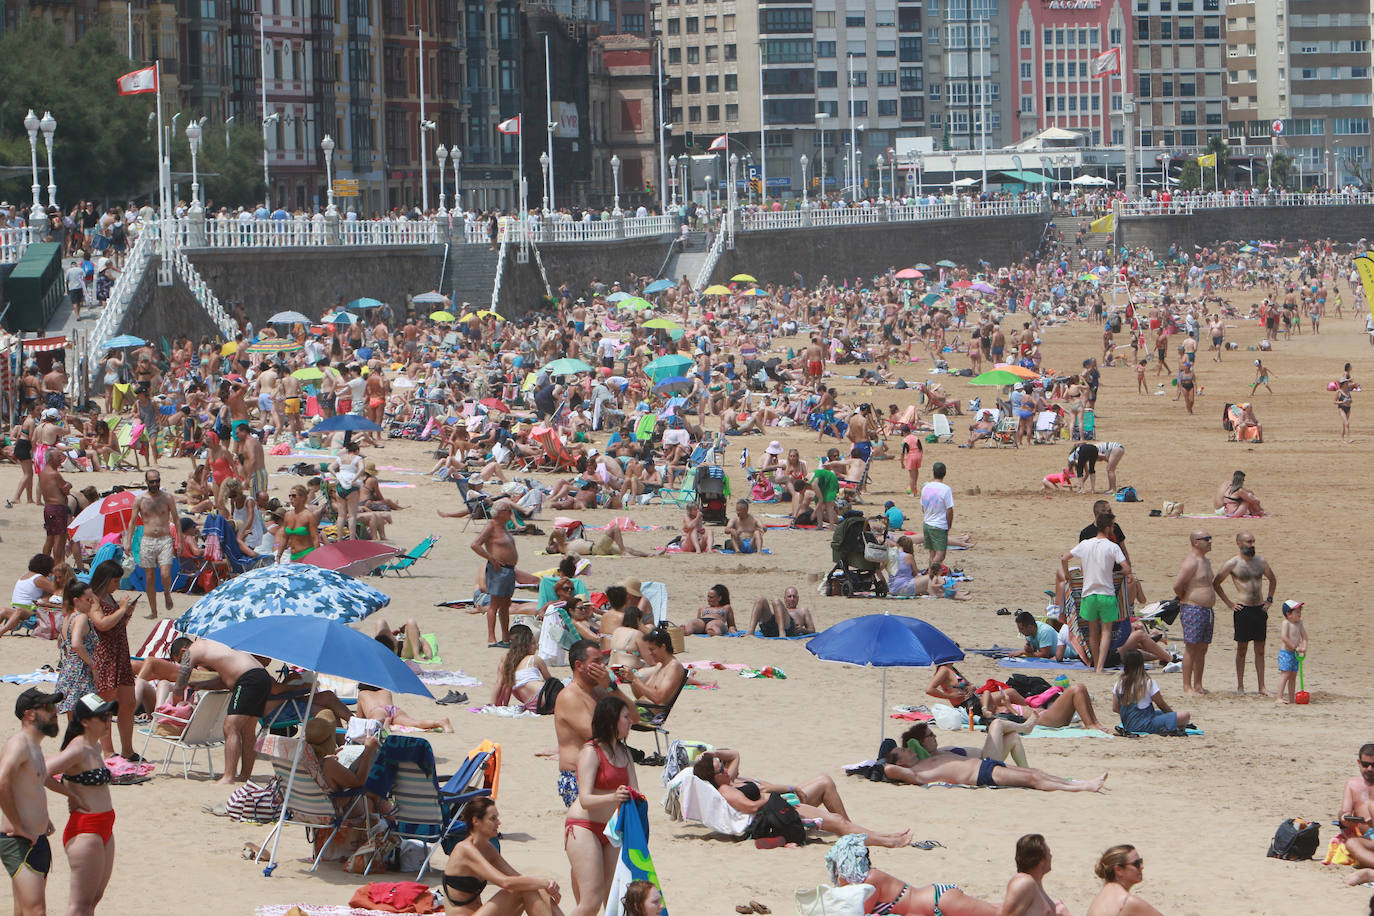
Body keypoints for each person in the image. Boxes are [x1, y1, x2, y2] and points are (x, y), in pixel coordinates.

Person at [696, 751, 913, 847]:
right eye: (720, 768)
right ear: (714, 777)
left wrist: (709, 754)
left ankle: (854, 833)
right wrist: (773, 796)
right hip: (776, 813)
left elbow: (734, 754)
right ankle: (887, 841)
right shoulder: (726, 790)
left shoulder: (731, 779)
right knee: (837, 822)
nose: (725, 767)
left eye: (722, 764)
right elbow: (751, 806)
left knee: (824, 781)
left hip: (782, 801)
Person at [44, 694, 119, 916]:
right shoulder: (77, 749)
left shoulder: (93, 747)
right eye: (102, 717)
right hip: (85, 829)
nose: (108, 722)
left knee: (94, 898)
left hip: (104, 826)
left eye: (109, 716)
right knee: (80, 904)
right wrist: (69, 794)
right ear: (85, 721)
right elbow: (42, 772)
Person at [565, 696, 637, 916]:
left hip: (613, 831)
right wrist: (613, 797)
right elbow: (585, 799)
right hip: (584, 827)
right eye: (626, 717)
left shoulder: (625, 753)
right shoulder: (590, 751)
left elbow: (634, 792)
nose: (631, 721)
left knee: (615, 898)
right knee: (591, 901)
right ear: (612, 720)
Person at [169, 635, 270, 784]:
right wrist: (202, 685)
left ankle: (228, 777)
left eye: (180, 660)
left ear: (183, 651)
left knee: (230, 727)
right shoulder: (213, 646)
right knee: (248, 731)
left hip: (248, 679)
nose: (189, 666)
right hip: (261, 677)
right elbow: (226, 679)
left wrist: (174, 708)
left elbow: (179, 686)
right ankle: (244, 776)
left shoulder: (192, 651)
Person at [442, 796, 564, 916]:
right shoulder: (465, 850)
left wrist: (546, 889)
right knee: (527, 887)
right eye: (493, 819)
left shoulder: (488, 848)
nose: (498, 823)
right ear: (476, 821)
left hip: (479, 912)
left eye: (497, 818)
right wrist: (544, 882)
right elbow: (505, 882)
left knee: (533, 887)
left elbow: (518, 877)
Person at [825, 833, 998, 916]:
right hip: (934, 904)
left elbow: (860, 913)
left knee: (1001, 913)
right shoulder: (862, 884)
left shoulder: (870, 880)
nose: (836, 873)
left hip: (938, 901)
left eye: (839, 867)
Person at [0, 687, 62, 916]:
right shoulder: (20, 744)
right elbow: (1, 782)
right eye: (48, 708)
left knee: (23, 911)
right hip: (19, 842)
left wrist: (43, 819)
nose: (55, 712)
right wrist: (18, 826)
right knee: (36, 911)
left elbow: (28, 788)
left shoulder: (34, 747)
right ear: (29, 714)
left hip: (36, 839)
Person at [553, 641, 624, 808]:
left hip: (602, 771)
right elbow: (595, 735)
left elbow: (631, 715)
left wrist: (612, 686)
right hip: (578, 775)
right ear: (579, 665)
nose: (603, 666)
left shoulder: (599, 691)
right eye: (597, 662)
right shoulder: (569, 696)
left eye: (602, 661)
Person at [1062, 514, 1133, 674]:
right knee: (1106, 631)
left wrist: (1067, 575)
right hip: (1106, 593)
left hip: (1088, 593)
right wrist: (1121, 573)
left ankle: (1094, 665)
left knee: (1093, 632)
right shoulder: (1112, 547)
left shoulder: (1085, 544)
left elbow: (1064, 557)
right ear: (1108, 528)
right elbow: (1126, 567)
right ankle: (1100, 666)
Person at [1211, 530, 1277, 695]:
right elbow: (1216, 582)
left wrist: (1269, 599)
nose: (1252, 545)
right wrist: (1229, 603)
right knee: (1242, 648)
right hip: (1243, 609)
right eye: (1248, 542)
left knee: (1260, 649)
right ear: (1239, 543)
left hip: (1259, 608)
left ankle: (1262, 686)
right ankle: (1240, 686)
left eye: (1253, 541)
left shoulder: (1261, 561)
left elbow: (1272, 579)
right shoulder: (1233, 563)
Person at [884, 744, 1106, 793]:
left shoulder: (927, 758)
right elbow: (889, 770)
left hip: (986, 765)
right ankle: (1084, 787)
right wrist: (882, 761)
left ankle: (1077, 782)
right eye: (902, 750)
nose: (908, 749)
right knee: (1032, 779)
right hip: (981, 775)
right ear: (899, 761)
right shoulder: (914, 773)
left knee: (1035, 772)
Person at [86, 561, 139, 761]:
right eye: (115, 580)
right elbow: (101, 624)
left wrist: (126, 614)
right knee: (105, 704)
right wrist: (122, 609)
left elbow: (116, 624)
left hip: (120, 653)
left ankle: (127, 749)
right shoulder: (92, 598)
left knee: (129, 702)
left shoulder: (108, 596)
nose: (117, 585)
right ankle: (108, 751)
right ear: (106, 579)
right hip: (105, 654)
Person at [129, 468, 180, 617]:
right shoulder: (140, 500)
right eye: (152, 481)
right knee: (149, 576)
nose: (155, 484)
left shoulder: (167, 498)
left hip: (165, 539)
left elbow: (176, 520)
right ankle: (154, 610)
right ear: (146, 482)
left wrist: (180, 541)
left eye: (157, 481)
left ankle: (166, 592)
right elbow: (132, 522)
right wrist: (128, 541)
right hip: (148, 540)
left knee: (165, 574)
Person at [473, 500, 520, 647]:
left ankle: (505, 637)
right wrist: (491, 558)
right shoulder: (491, 526)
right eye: (508, 510)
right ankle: (491, 637)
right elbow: (475, 544)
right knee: (494, 604)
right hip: (498, 570)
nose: (510, 513)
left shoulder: (504, 527)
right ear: (500, 512)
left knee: (506, 604)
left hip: (509, 570)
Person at [1112, 649, 1191, 734]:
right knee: (1185, 715)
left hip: (1128, 724)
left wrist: (1132, 716)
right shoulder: (1148, 682)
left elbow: (1115, 708)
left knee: (1160, 713)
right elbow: (1162, 705)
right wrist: (1173, 717)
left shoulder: (1119, 683)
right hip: (1146, 725)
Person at [54, 582, 100, 725]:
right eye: (88, 599)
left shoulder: (68, 617)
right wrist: (92, 665)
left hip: (68, 669)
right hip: (81, 670)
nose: (91, 602)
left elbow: (61, 643)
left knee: (73, 720)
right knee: (88, 717)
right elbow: (76, 644)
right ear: (76, 600)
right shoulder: (81, 617)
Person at [998, 834, 1071, 916]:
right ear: (1041, 861)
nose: (1051, 856)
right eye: (1049, 853)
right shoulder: (1024, 883)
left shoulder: (1034, 885)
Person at [1085, 845, 1163, 916]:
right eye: (1136, 864)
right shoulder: (1128, 902)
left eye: (1141, 861)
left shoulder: (1099, 898)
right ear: (1118, 870)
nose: (1142, 867)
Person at [0, 555, 58, 639]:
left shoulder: (25, 576)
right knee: (14, 611)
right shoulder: (39, 579)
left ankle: (1, 630)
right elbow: (57, 591)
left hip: (18, 608)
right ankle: (1, 631)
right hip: (30, 611)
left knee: (4, 610)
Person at [493, 625, 551, 707]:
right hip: (544, 696)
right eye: (533, 643)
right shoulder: (534, 659)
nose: (536, 646)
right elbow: (551, 681)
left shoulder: (510, 660)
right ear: (525, 644)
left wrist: (496, 705)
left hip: (531, 701)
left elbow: (504, 685)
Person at [920, 462, 954, 572]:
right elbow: (949, 510)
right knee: (940, 555)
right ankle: (930, 575)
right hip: (939, 524)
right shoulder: (946, 489)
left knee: (932, 553)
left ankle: (932, 578)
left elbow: (923, 506)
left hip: (927, 523)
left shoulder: (926, 487)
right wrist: (948, 525)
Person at [39, 449, 72, 564]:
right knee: (59, 539)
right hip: (58, 509)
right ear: (51, 459)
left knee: (50, 538)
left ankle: (44, 564)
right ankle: (58, 564)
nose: (60, 458)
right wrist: (69, 484)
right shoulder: (55, 474)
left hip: (48, 508)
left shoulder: (43, 472)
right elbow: (66, 490)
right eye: (58, 456)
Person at [1275, 600, 1308, 706]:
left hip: (1295, 654)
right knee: (1285, 674)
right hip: (1286, 653)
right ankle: (1279, 697)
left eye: (1300, 611)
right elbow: (1284, 637)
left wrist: (1304, 647)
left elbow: (1305, 637)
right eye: (1297, 612)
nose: (1299, 614)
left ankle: (1291, 698)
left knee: (1293, 676)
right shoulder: (1286, 623)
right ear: (1288, 614)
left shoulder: (1299, 623)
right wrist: (1294, 647)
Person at [330, 440, 365, 538]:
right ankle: (352, 539)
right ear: (357, 450)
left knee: (341, 515)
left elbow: (330, 467)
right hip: (352, 486)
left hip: (340, 485)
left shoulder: (341, 458)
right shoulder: (358, 459)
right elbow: (362, 469)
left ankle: (339, 538)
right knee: (352, 515)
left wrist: (337, 475)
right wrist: (355, 477)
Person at [747, 587, 816, 637]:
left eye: (794, 597)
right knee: (760, 600)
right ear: (785, 599)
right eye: (789, 596)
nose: (792, 599)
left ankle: (781, 632)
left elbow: (812, 630)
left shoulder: (803, 610)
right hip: (772, 627)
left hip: (788, 629)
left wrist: (802, 630)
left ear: (798, 598)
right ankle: (750, 631)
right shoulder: (780, 608)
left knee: (776, 601)